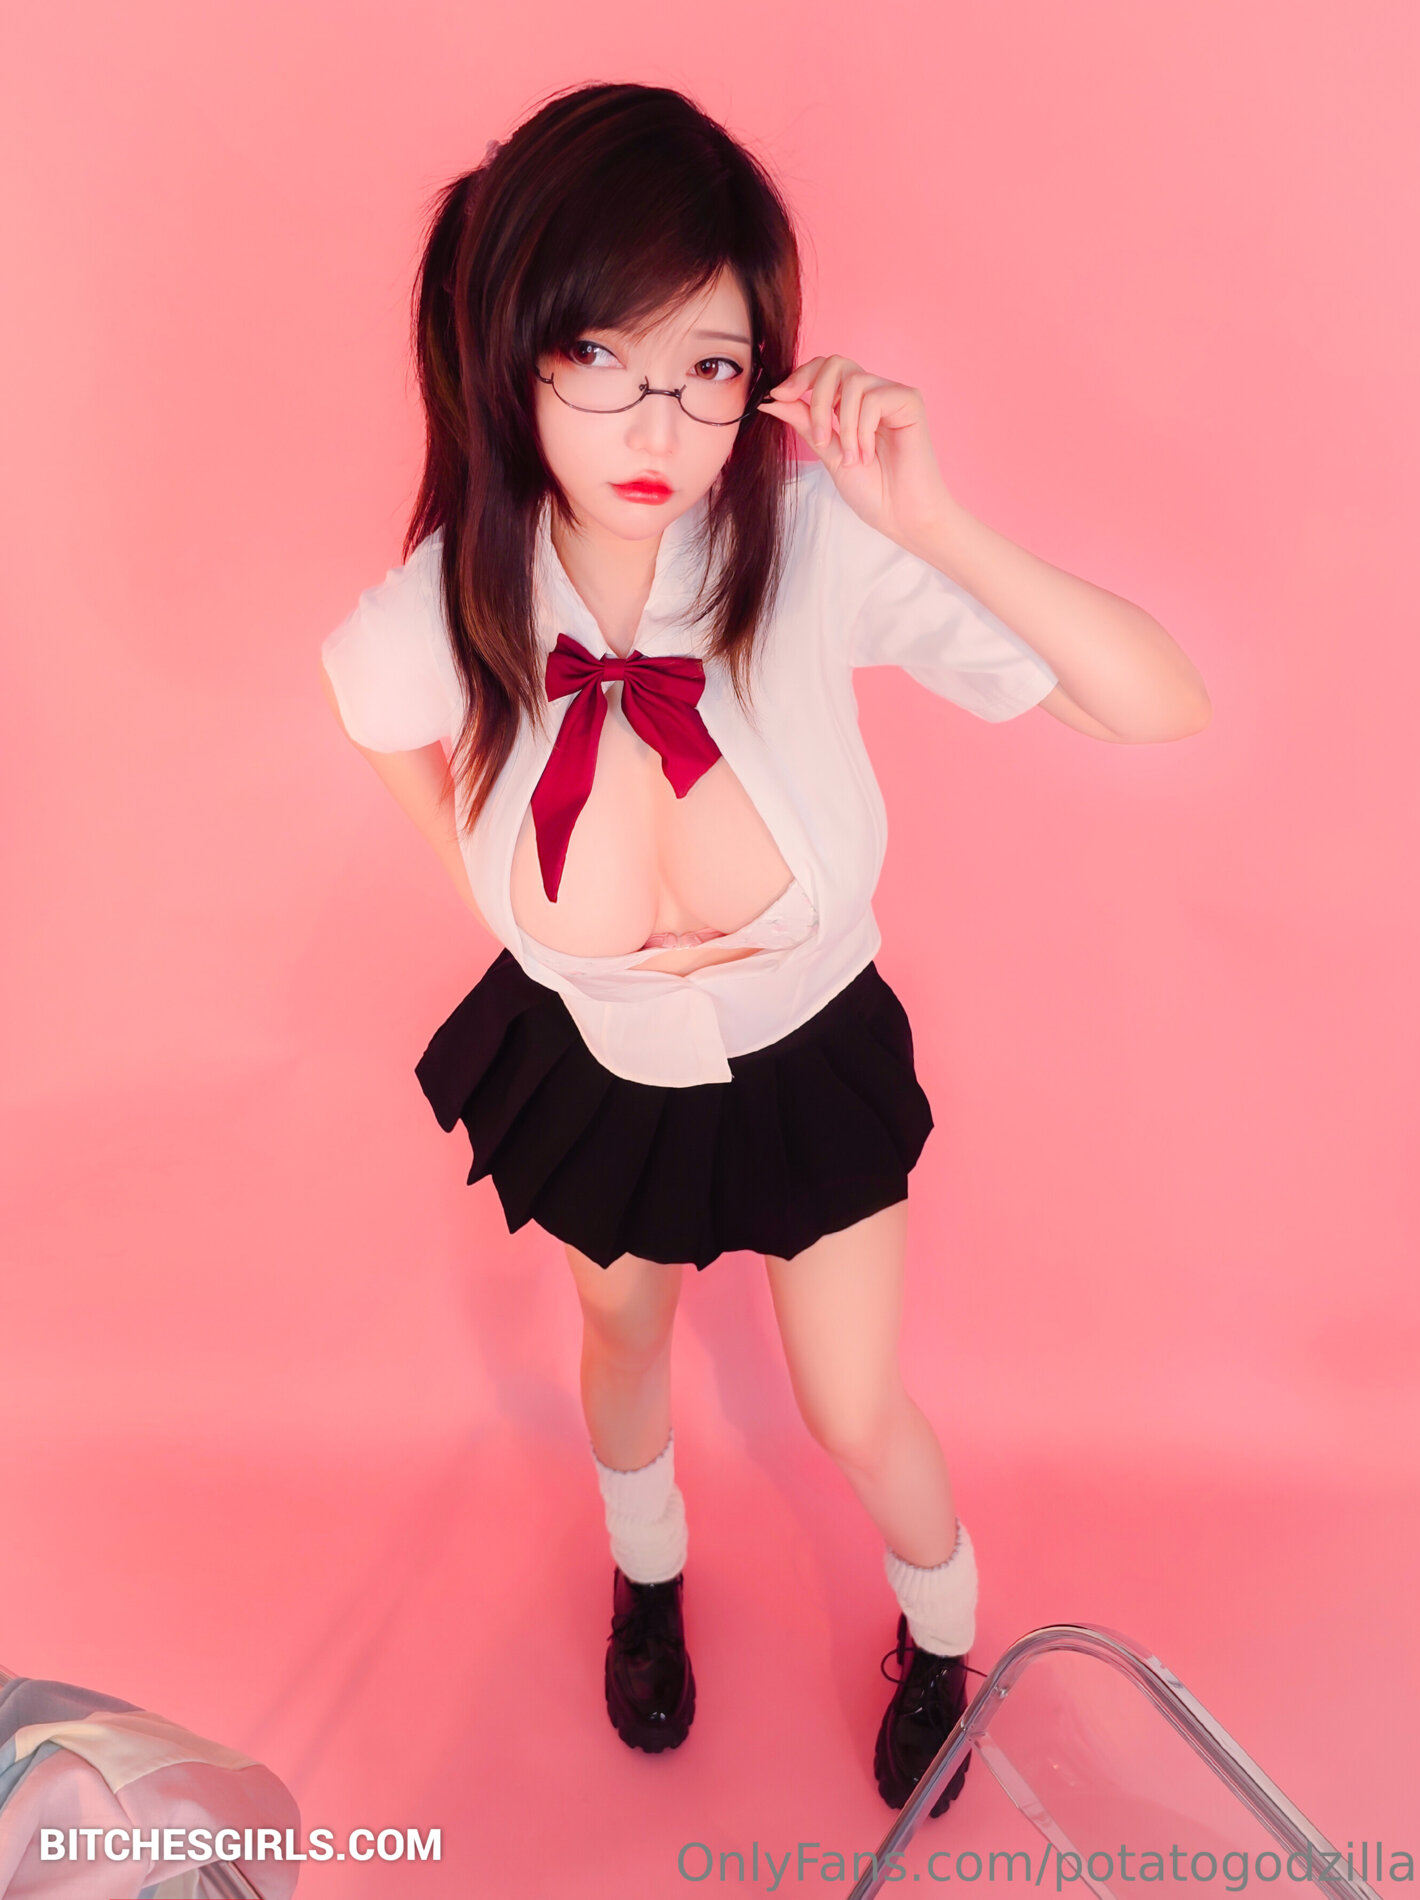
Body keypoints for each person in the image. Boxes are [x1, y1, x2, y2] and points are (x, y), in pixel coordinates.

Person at [319, 81, 1210, 1818]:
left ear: (760, 376)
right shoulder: (450, 601)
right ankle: (646, 1579)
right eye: (600, 356)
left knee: (853, 1405)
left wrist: (933, 519)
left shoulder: (806, 542)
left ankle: (941, 1637)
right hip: (591, 1062)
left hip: (804, 1056)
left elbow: (1155, 705)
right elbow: (368, 711)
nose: (656, 420)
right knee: (621, 1342)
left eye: (709, 366)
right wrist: (502, 912)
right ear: (510, 355)